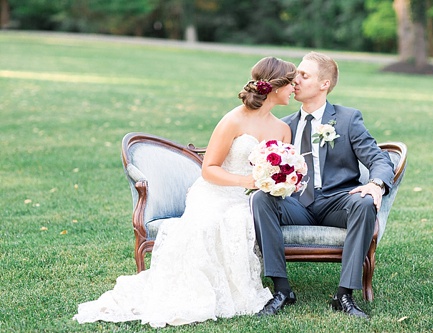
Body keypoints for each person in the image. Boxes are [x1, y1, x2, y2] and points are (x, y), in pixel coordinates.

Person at [73, 56, 296, 328]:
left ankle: (239, 286)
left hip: (252, 200)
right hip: (216, 191)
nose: (295, 87)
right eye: (291, 83)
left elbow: (280, 172)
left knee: (240, 218)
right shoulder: (233, 120)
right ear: (275, 86)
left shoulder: (283, 129)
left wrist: (280, 181)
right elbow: (209, 169)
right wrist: (244, 181)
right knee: (213, 222)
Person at [251, 51, 394, 319]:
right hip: (297, 203)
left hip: (337, 202)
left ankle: (344, 294)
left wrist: (375, 184)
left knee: (364, 202)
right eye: (296, 75)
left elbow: (379, 159)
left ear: (323, 84)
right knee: (261, 198)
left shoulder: (348, 119)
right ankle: (282, 289)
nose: (295, 81)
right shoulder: (285, 125)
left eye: (304, 76)